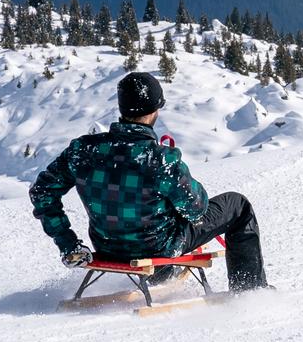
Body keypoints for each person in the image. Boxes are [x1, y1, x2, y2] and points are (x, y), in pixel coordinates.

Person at [30, 72, 271, 292]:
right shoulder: (161, 160)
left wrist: (68, 244)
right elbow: (196, 208)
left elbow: (42, 191)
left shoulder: (82, 150)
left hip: (107, 248)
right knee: (238, 206)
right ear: (156, 110)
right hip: (160, 251)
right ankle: (250, 289)